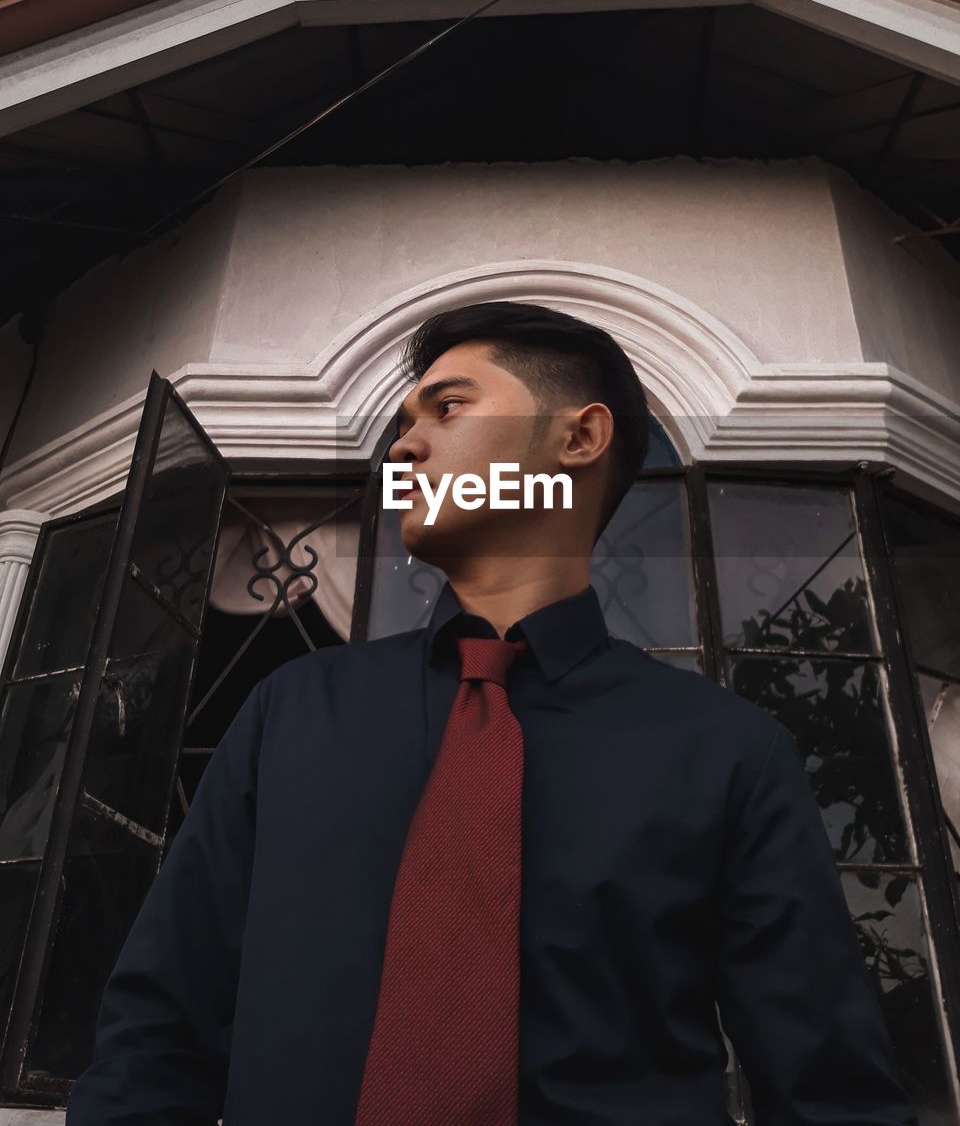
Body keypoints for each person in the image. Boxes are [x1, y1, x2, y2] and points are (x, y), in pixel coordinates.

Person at [66, 300, 919, 1126]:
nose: (405, 442)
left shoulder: (729, 752)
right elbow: (155, 1040)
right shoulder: (292, 713)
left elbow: (828, 1092)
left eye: (448, 406)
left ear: (578, 438)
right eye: (404, 419)